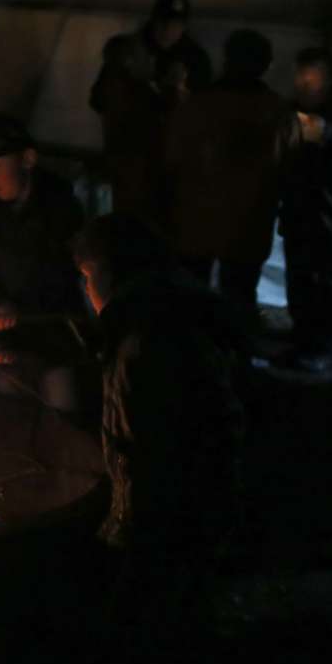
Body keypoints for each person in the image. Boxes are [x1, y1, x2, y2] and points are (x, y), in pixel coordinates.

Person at [72, 212, 247, 627]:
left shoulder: (145, 341)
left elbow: (152, 446)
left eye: (87, 276)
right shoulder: (163, 314)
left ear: (110, 273)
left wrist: (126, 527)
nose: (84, 289)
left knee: (150, 618)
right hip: (192, 515)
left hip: (167, 521)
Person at [163, 29, 300, 320]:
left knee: (193, 298)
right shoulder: (276, 111)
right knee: (236, 296)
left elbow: (173, 160)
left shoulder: (198, 106)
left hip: (198, 221)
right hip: (247, 225)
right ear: (266, 64)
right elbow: (289, 167)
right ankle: (233, 354)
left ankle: (195, 354)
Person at [0, 115, 87, 411]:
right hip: (9, 349)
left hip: (56, 342)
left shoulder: (62, 212)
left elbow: (65, 275)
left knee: (62, 416)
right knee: (11, 423)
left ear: (27, 159)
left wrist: (22, 308)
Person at [279, 47, 332, 368]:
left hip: (329, 215)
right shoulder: (292, 111)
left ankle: (328, 344)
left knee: (326, 281)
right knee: (299, 277)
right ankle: (304, 338)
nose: (303, 84)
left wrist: (327, 135)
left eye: (311, 80)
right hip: (299, 210)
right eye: (301, 78)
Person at [87, 35, 169, 225]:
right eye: (144, 55)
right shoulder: (137, 93)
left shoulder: (110, 88)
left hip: (122, 168)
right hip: (141, 173)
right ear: (129, 61)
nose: (151, 59)